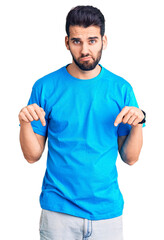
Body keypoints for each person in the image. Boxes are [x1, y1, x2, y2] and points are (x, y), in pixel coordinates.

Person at [19, 5, 146, 240]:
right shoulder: (45, 87)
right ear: (67, 42)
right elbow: (31, 155)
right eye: (77, 41)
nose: (85, 49)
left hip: (106, 212)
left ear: (104, 41)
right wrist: (24, 122)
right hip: (58, 211)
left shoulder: (121, 89)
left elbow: (130, 158)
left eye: (92, 40)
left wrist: (138, 124)